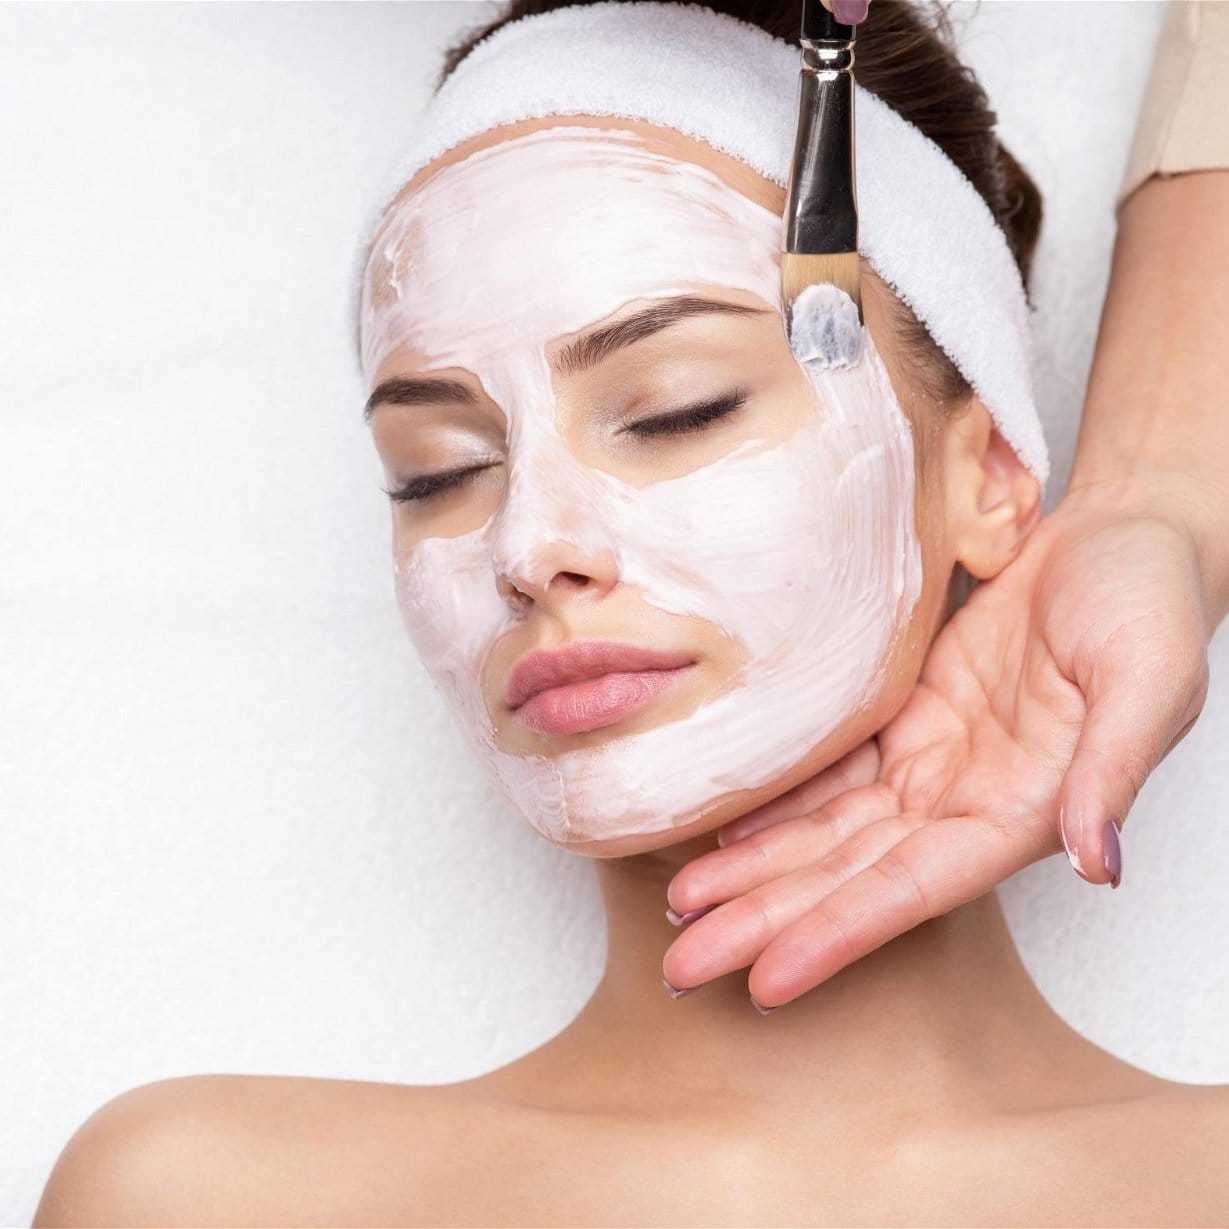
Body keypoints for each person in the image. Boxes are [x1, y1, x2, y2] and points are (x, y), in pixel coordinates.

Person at [32, 2, 1229, 1225]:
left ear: (982, 476)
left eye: (676, 408)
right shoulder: (210, 1195)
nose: (528, 545)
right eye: (436, 471)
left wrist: (1161, 503)